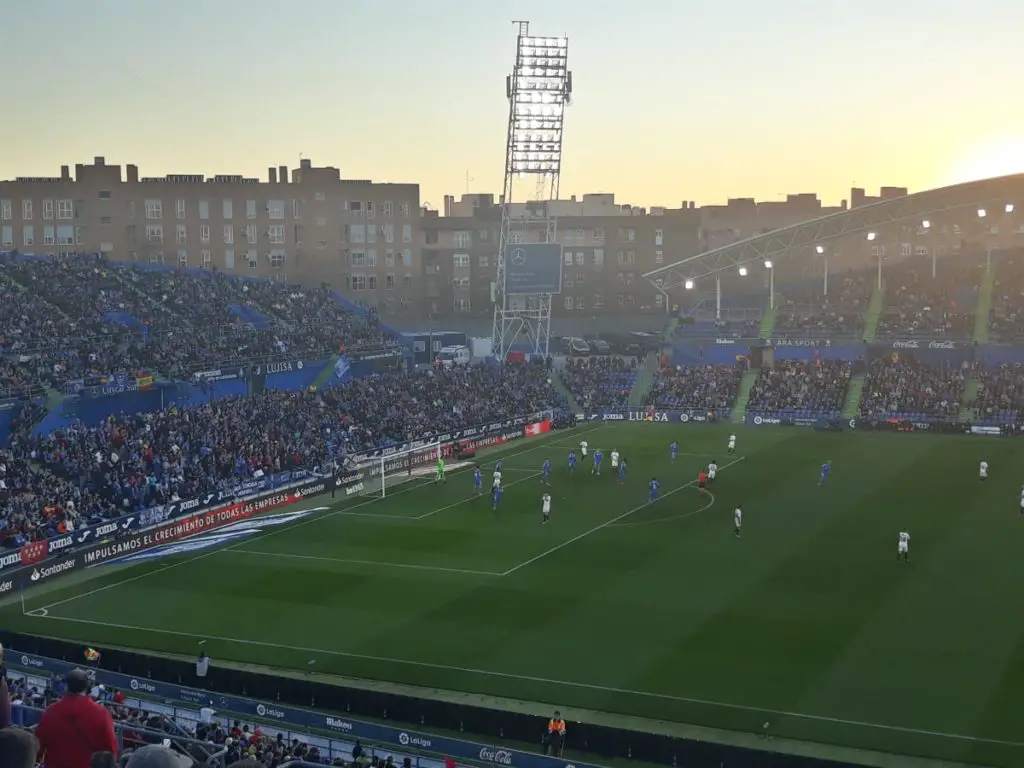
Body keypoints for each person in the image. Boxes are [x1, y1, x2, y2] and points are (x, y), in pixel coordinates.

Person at [36, 668, 118, 768]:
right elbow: (110, 751)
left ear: (66, 687)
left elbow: (37, 747)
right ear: (87, 687)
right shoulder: (101, 713)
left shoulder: (50, 712)